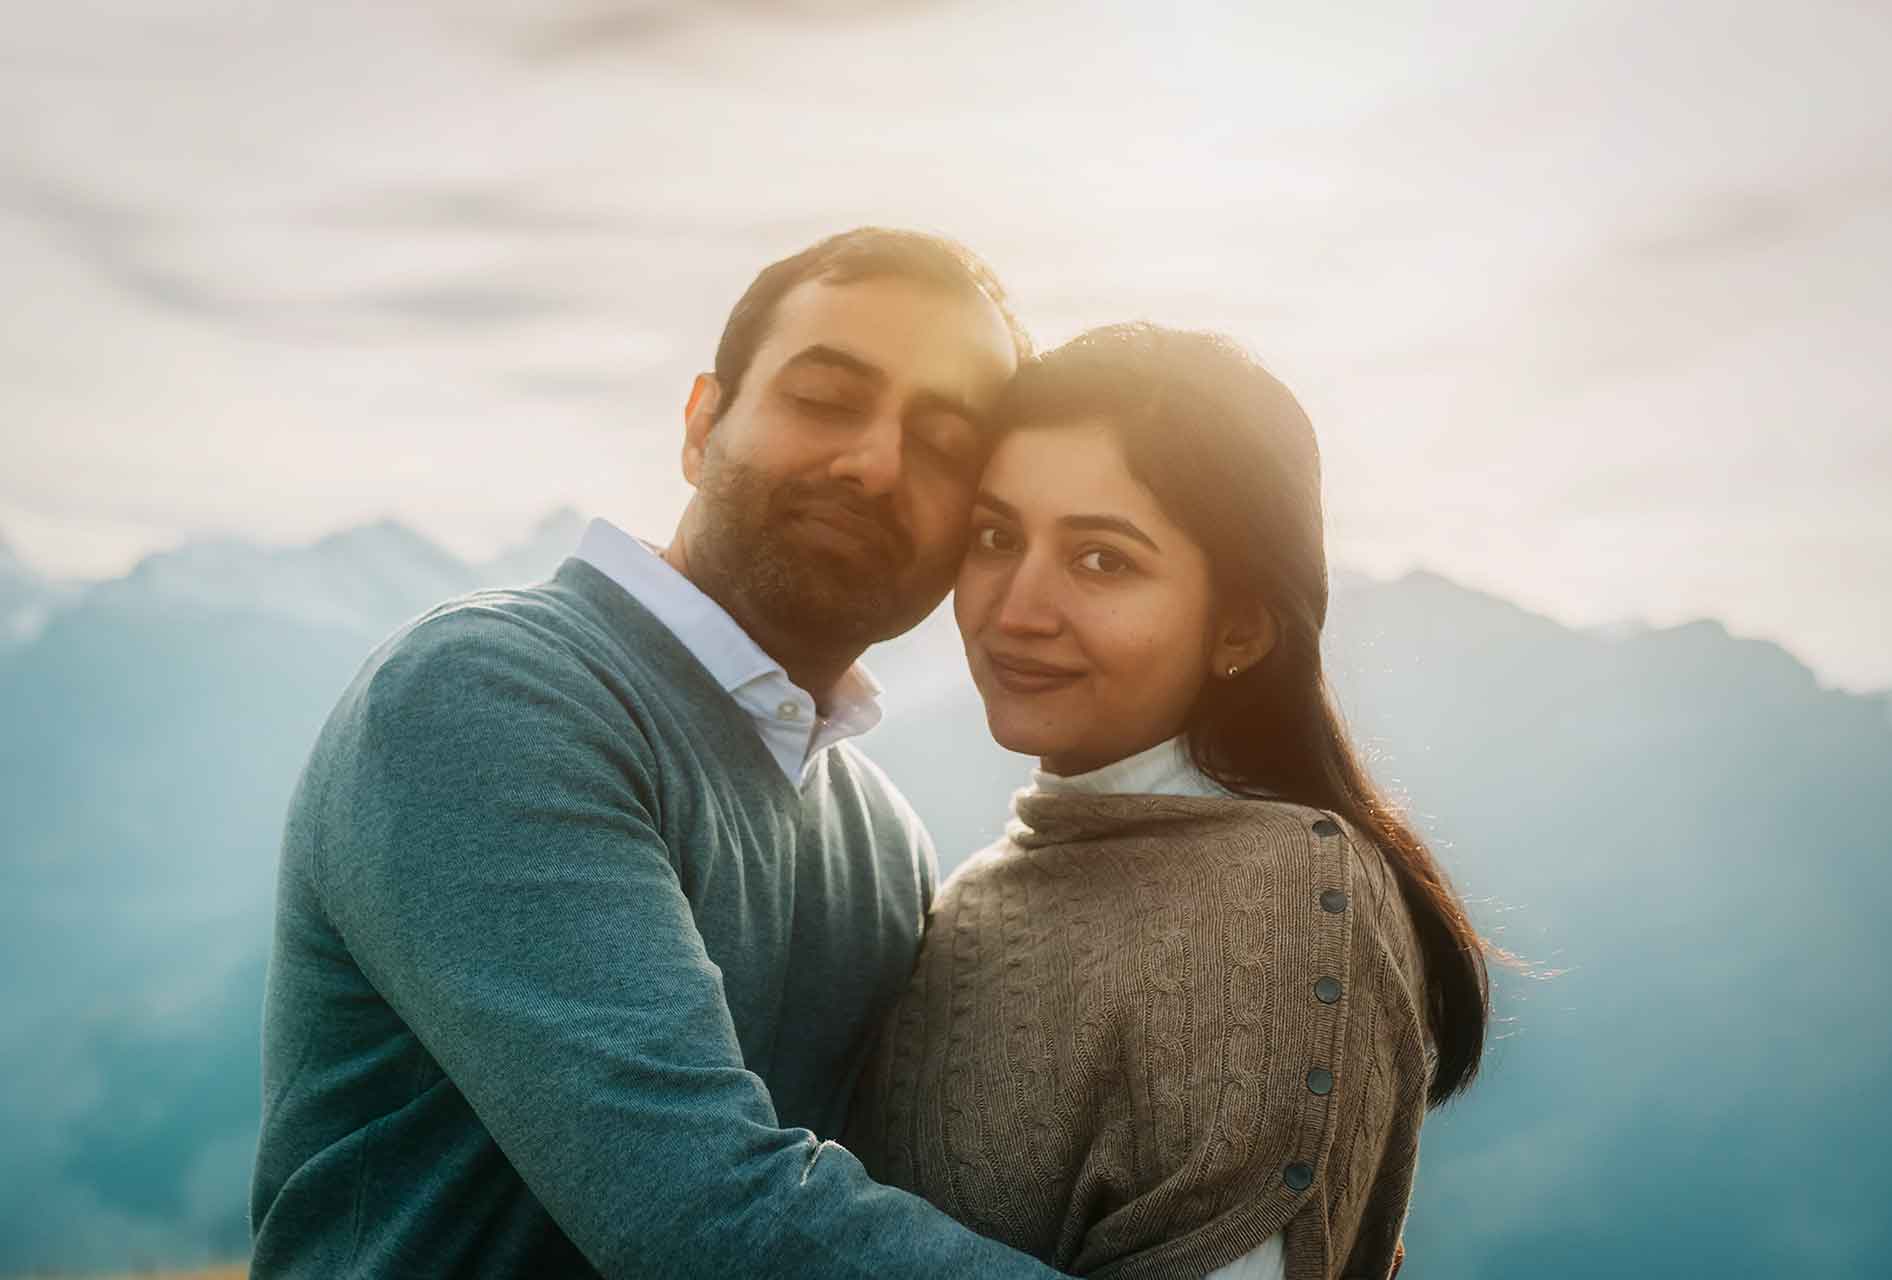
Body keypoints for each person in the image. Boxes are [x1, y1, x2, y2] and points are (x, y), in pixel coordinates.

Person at [248, 228, 1069, 1278]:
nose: (873, 462)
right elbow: (696, 1208)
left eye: (945, 442)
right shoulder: (487, 690)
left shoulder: (880, 840)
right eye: (825, 398)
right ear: (702, 423)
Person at [846, 324, 1492, 1280]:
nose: (1015, 607)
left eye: (1103, 560)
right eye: (996, 537)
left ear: (1239, 624)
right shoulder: (980, 886)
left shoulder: (1281, 897)